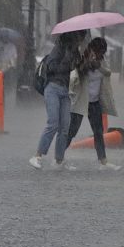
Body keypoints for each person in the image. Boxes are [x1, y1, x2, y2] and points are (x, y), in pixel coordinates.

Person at [29, 30, 85, 170]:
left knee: (65, 127)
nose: (81, 41)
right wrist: (67, 62)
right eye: (79, 38)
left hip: (66, 92)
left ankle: (59, 160)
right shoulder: (58, 49)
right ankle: (37, 156)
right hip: (53, 88)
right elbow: (52, 67)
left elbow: (77, 71)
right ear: (73, 37)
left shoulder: (75, 52)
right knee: (53, 123)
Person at [68, 36, 121, 171]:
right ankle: (59, 157)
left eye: (102, 53)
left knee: (98, 132)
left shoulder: (102, 61)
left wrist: (99, 66)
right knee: (72, 131)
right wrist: (86, 64)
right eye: (99, 52)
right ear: (92, 49)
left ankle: (103, 160)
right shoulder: (82, 59)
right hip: (81, 101)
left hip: (95, 102)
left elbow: (108, 73)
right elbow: (76, 74)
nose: (100, 55)